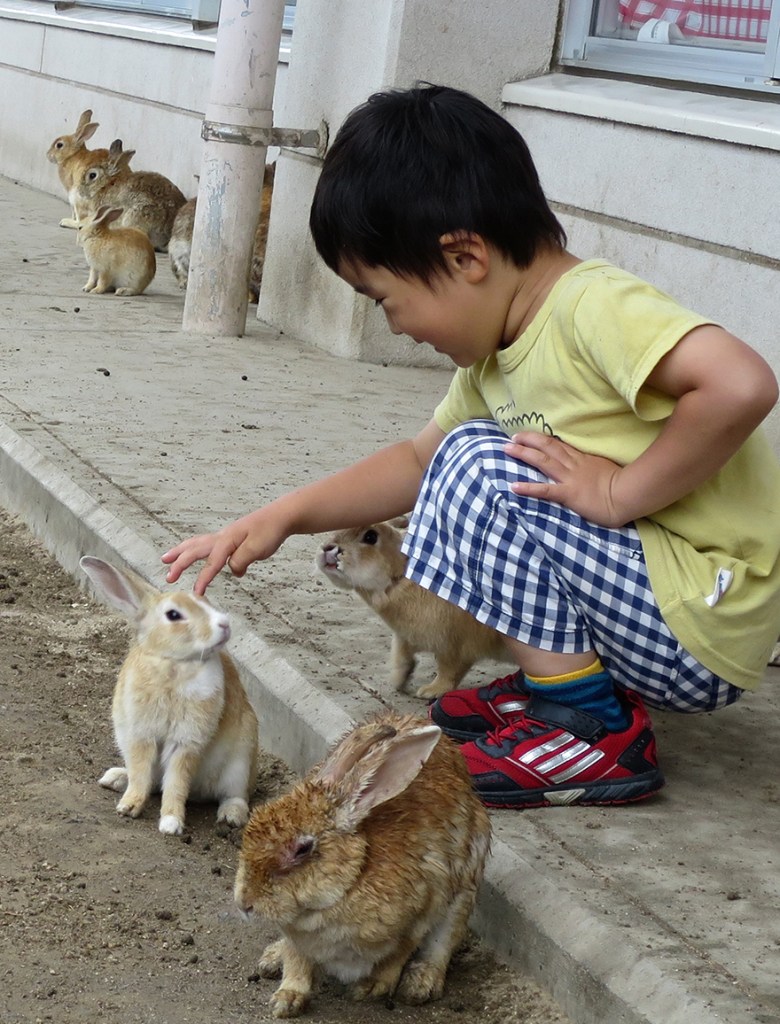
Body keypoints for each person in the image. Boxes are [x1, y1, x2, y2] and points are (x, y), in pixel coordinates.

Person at [162, 83, 780, 809]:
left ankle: (588, 727)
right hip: (653, 603)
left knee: (479, 466)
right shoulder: (498, 356)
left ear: (464, 258)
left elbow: (741, 384)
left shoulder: (591, 307)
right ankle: (563, 688)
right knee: (460, 464)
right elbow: (414, 463)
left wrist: (620, 493)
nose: (394, 326)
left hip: (701, 617)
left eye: (386, 299)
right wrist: (281, 516)